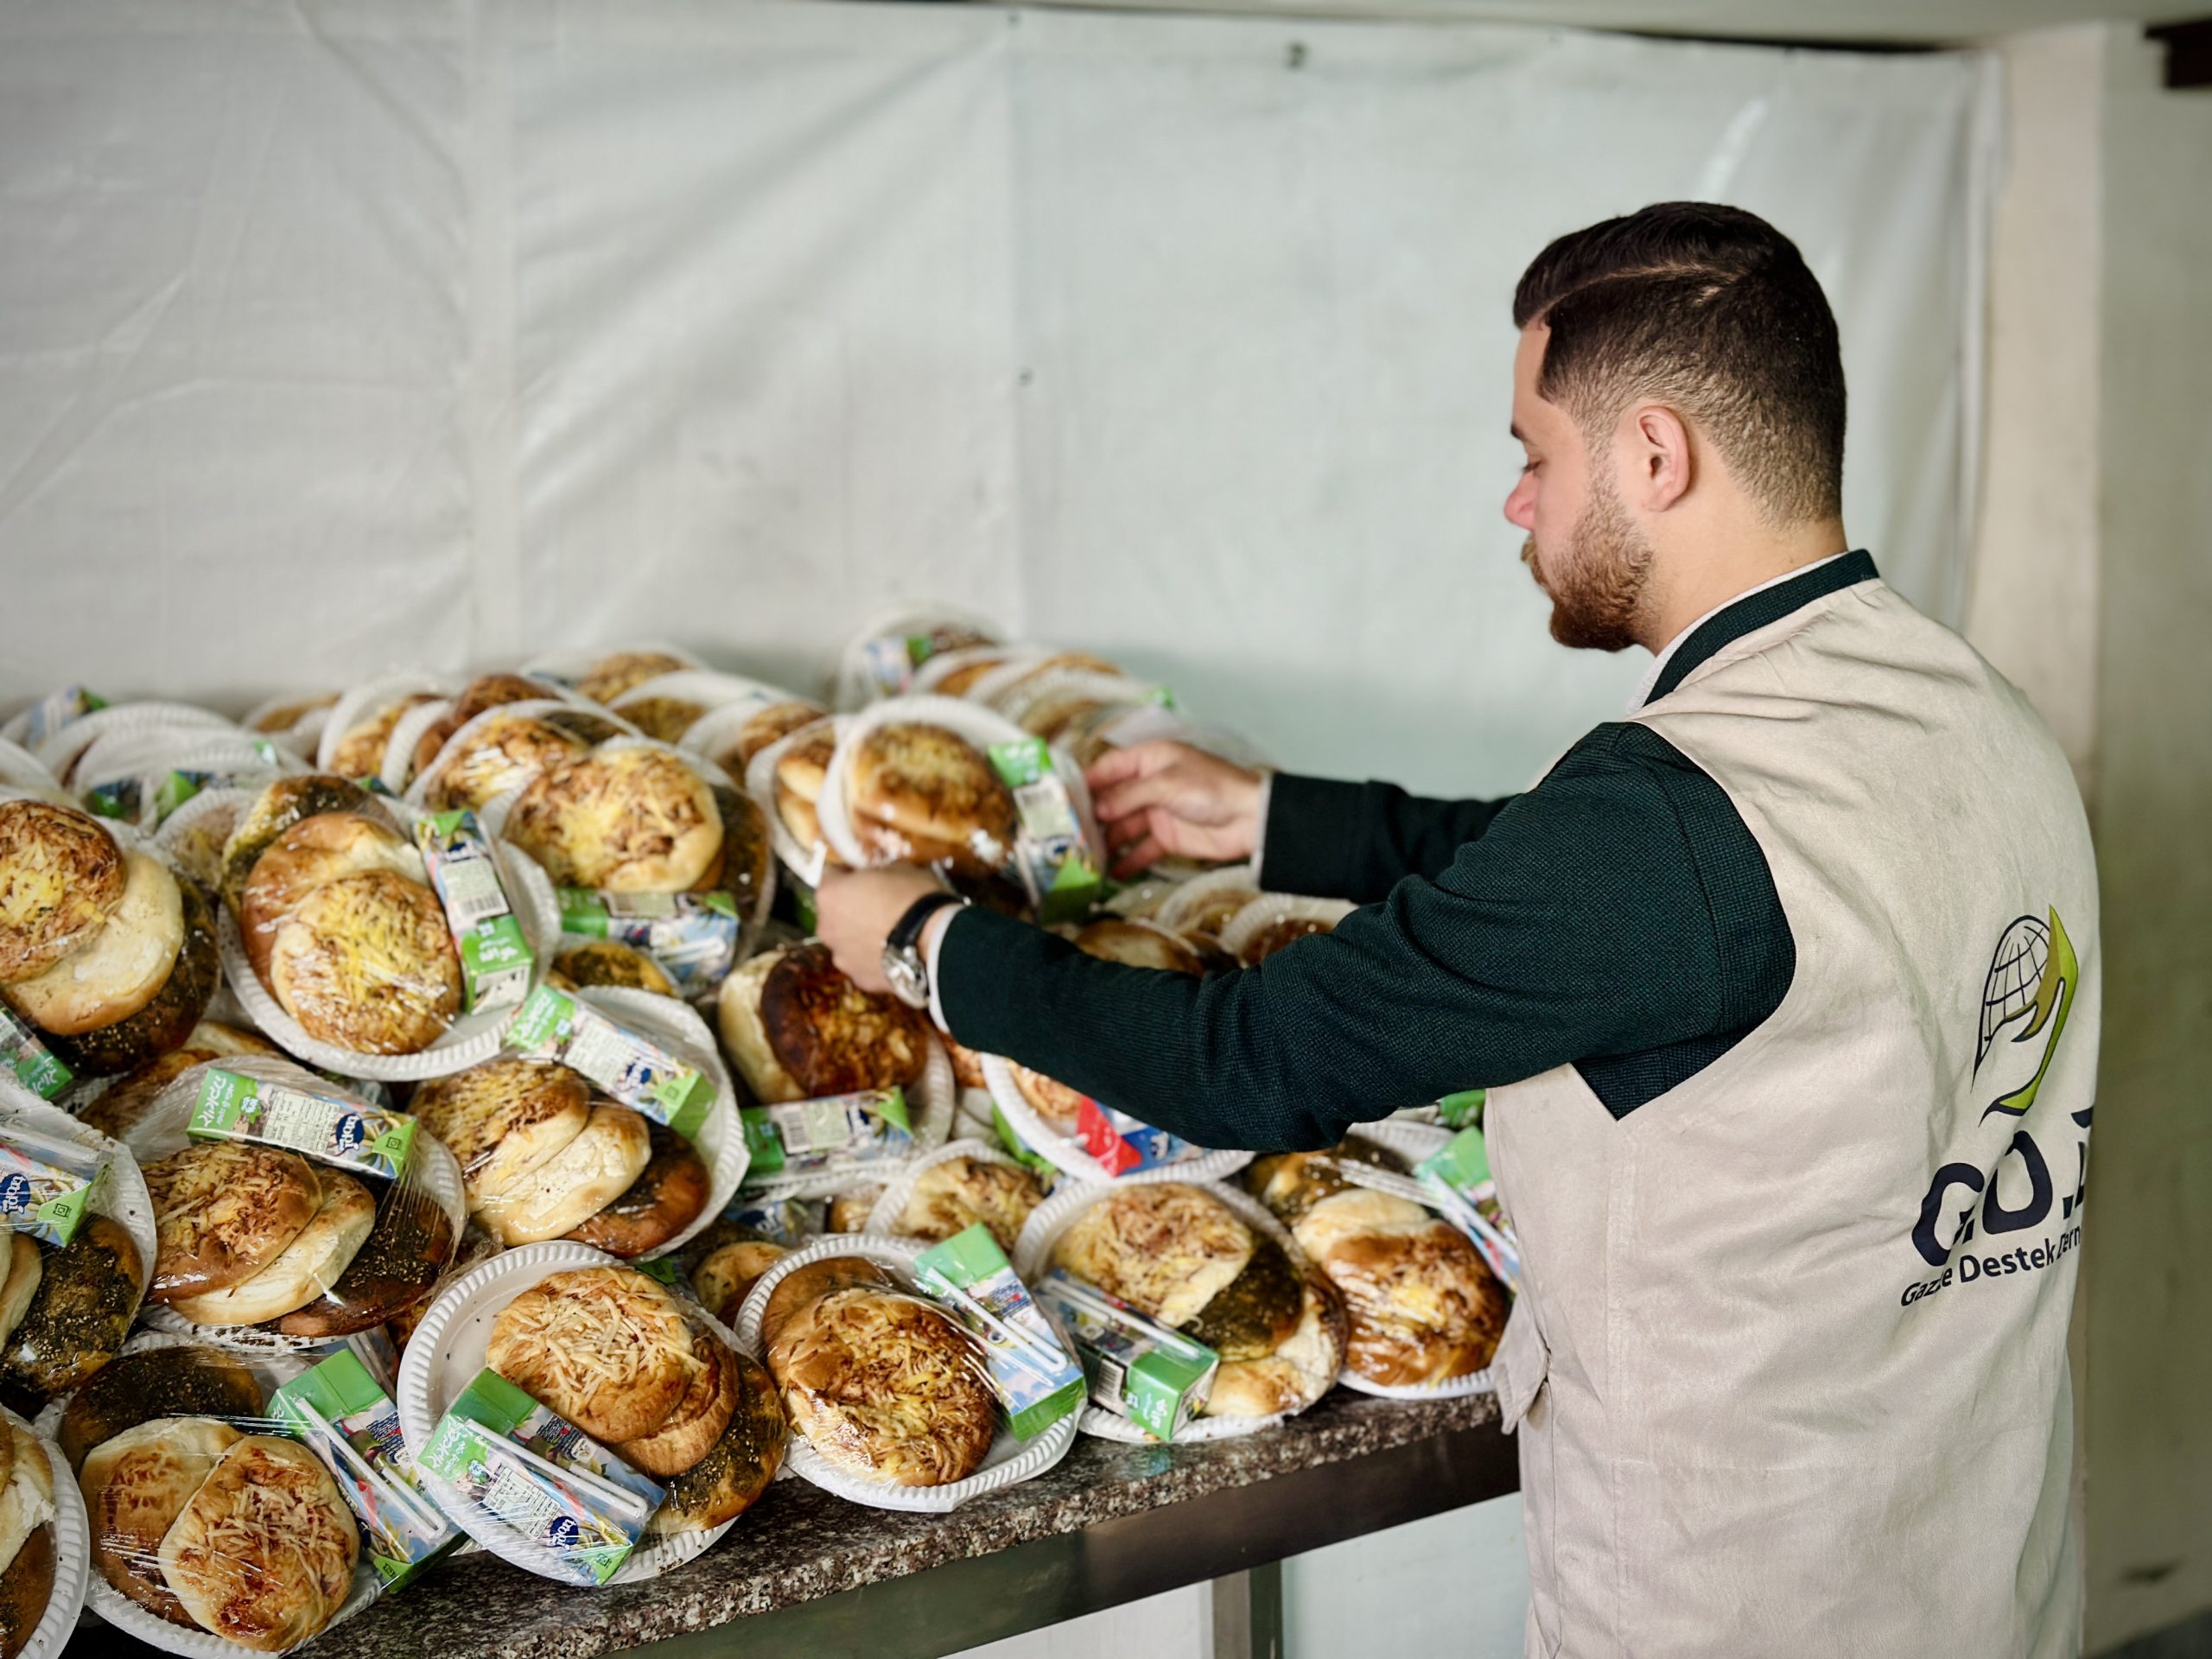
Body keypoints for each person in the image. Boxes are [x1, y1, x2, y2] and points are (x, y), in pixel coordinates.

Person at [817, 202, 2097, 1659]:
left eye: (1533, 456)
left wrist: (927, 939)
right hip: (1986, 1576)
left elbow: (1242, 1062)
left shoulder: (1672, 825)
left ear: (1656, 455)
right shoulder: (1974, 716)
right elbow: (1646, 893)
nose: (1517, 507)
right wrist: (1282, 819)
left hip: (1744, 1608)